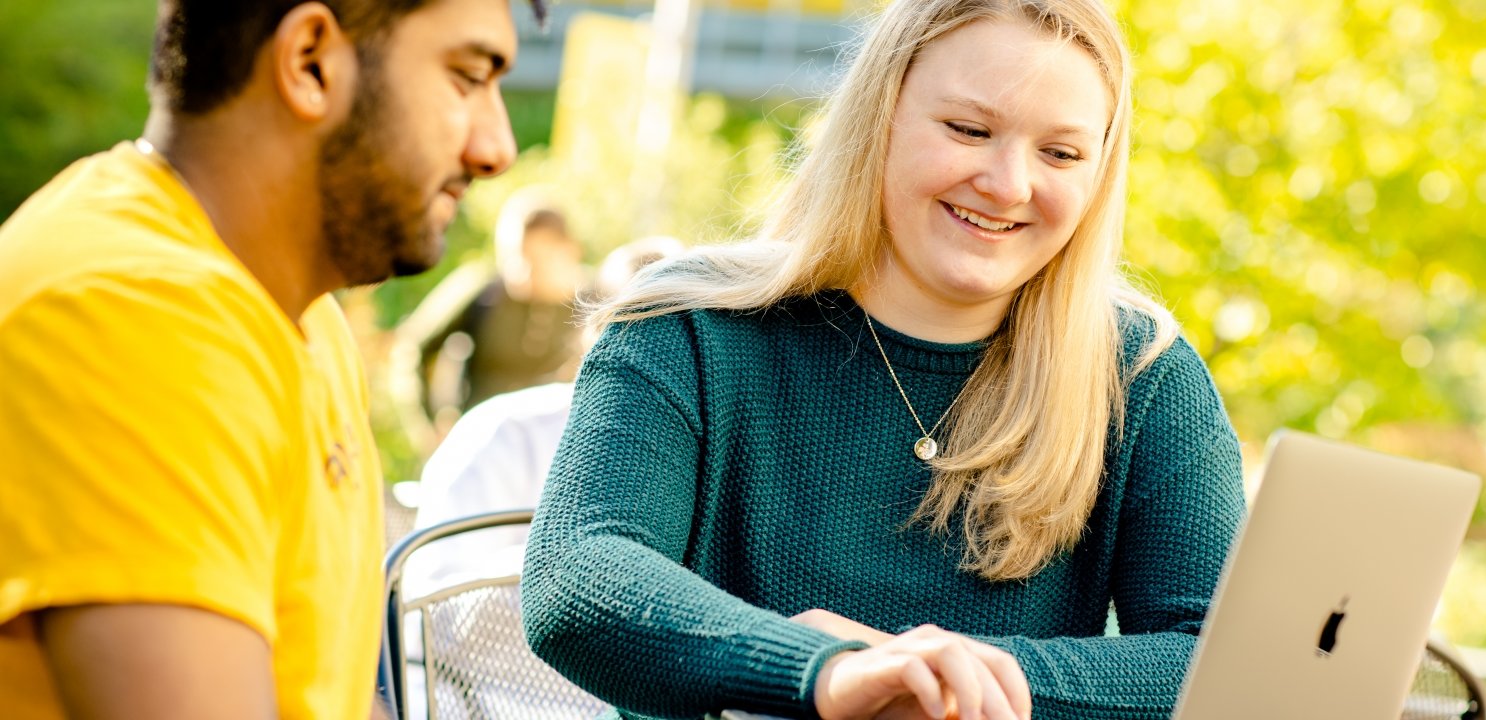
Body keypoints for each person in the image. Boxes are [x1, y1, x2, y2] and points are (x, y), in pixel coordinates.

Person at [519, 1, 1247, 719]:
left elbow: (1219, 657)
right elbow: (577, 573)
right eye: (968, 129)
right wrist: (823, 674)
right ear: (880, 117)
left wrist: (950, 681)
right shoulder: (688, 326)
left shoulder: (1144, 373)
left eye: (1059, 153)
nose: (1007, 184)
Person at [0, 0, 540, 717]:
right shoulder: (140, 312)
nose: (495, 147)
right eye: (467, 78)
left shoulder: (296, 313)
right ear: (310, 60)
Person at [407, 234, 684, 597]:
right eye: (634, 327)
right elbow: (433, 609)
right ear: (591, 333)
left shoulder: (718, 463)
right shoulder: (499, 436)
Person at [388, 189, 586, 452]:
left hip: (551, 457)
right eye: (516, 258)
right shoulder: (483, 292)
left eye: (538, 260)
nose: (524, 273)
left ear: (570, 250)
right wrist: (429, 424)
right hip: (477, 451)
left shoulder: (594, 306)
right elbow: (413, 346)